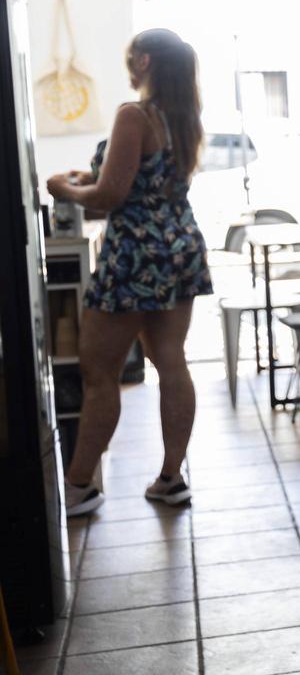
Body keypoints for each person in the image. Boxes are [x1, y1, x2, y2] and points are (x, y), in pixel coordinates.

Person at [47, 28, 212, 517]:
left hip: (134, 257)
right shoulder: (183, 118)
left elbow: (110, 196)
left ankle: (76, 487)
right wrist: (89, 178)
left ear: (142, 60)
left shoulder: (134, 114)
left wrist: (65, 188)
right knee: (171, 361)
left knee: (99, 371)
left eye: (128, 58)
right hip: (179, 247)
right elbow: (141, 180)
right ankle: (171, 477)